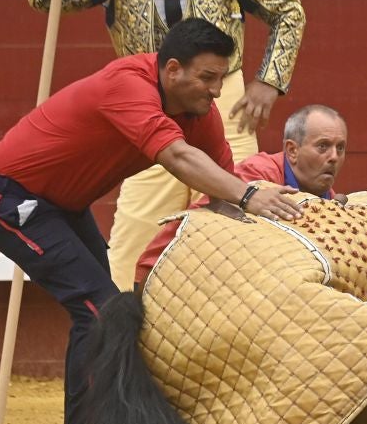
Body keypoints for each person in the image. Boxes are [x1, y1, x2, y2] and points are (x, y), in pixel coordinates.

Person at [0, 18, 305, 424]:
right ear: (172, 71)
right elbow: (180, 161)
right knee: (101, 311)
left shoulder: (200, 112)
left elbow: (221, 191)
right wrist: (251, 194)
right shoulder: (126, 84)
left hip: (63, 206)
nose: (217, 92)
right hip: (11, 199)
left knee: (112, 311)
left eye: (222, 78)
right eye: (208, 78)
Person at [27, 0, 306, 293]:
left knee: (239, 223)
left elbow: (289, 11)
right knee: (135, 234)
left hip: (223, 100)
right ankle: (121, 326)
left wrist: (269, 80)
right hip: (147, 104)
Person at [133, 103, 349, 286]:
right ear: (292, 150)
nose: (334, 157)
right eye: (323, 146)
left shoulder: (328, 198)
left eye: (340, 148)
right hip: (163, 275)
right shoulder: (258, 176)